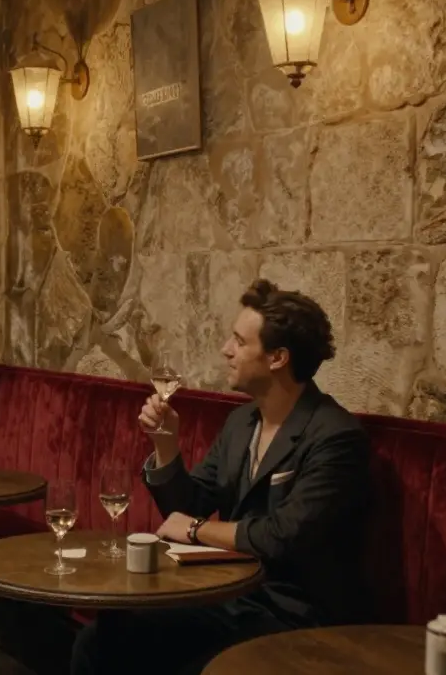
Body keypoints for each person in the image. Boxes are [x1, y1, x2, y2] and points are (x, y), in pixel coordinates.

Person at [70, 279, 371, 675]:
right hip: (228, 596)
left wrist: (197, 530)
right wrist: (166, 444)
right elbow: (188, 506)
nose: (226, 350)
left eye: (239, 342)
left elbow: (282, 536)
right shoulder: (241, 422)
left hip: (290, 615)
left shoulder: (335, 436)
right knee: (103, 637)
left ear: (278, 357)